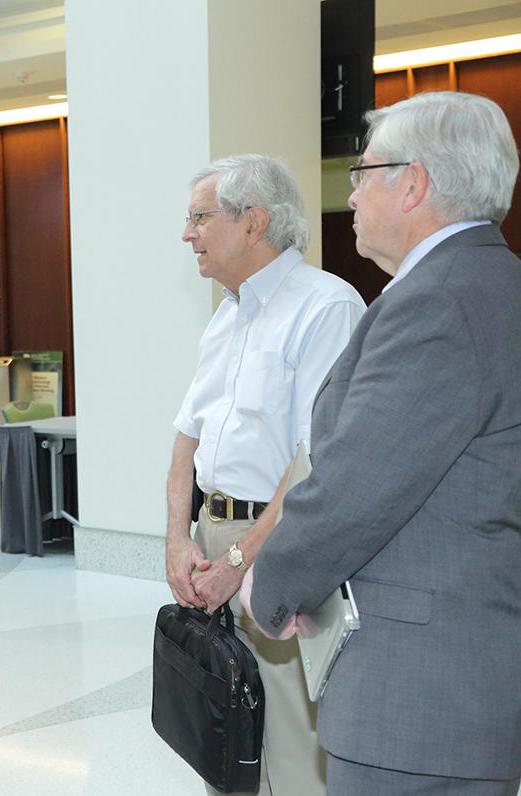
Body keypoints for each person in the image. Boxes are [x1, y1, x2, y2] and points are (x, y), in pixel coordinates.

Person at [246, 92, 521, 795]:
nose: (352, 193)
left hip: (419, 696)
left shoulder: (438, 300)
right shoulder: (498, 284)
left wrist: (272, 585)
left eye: (363, 172)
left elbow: (355, 487)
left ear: (415, 183)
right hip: (473, 663)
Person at [165, 154, 365, 795]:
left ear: (254, 222)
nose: (187, 232)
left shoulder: (326, 306)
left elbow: (316, 457)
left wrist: (239, 562)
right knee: (224, 743)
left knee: (289, 750)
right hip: (214, 542)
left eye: (199, 217)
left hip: (276, 549)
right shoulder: (226, 315)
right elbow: (186, 435)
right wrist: (177, 537)